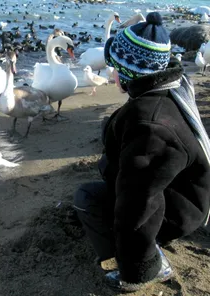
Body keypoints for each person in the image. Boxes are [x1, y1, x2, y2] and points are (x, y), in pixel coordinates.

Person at [74, 11, 210, 292]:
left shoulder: (150, 126)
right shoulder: (169, 91)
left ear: (127, 72)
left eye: (115, 67)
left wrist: (137, 266)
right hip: (183, 193)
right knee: (112, 190)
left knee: (87, 198)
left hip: (181, 208)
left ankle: (152, 264)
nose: (111, 72)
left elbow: (140, 203)